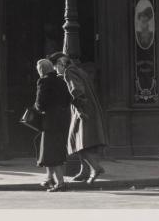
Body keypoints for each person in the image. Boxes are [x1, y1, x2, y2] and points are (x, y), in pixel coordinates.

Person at [48, 52, 107, 184]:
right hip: (89, 109)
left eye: (56, 67)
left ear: (60, 64)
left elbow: (76, 91)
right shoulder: (79, 71)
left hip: (82, 111)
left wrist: (80, 110)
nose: (56, 70)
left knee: (76, 143)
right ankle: (84, 171)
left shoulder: (69, 72)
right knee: (83, 141)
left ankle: (96, 168)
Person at [33, 59, 72, 192]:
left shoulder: (43, 81)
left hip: (49, 121)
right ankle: (49, 178)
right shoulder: (61, 80)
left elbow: (40, 104)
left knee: (52, 152)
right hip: (62, 120)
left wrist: (38, 108)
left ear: (41, 69)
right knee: (51, 150)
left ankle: (60, 183)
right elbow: (68, 99)